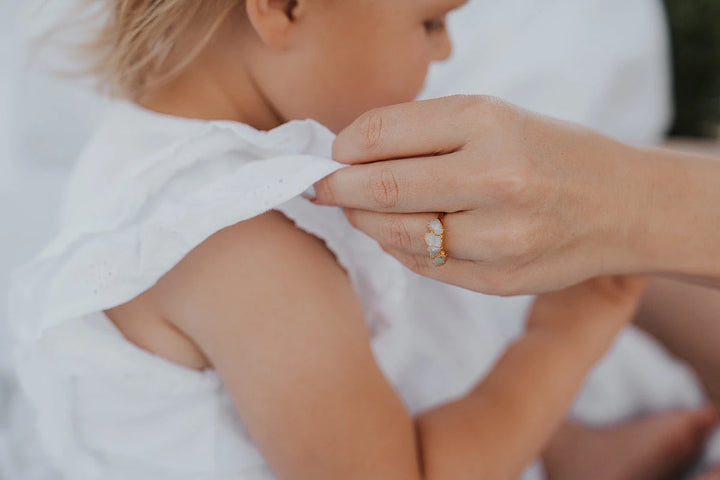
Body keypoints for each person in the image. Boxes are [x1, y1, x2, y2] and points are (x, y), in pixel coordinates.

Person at [8, 2, 717, 480]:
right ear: (282, 6)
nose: (446, 51)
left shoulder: (153, 138)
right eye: (430, 21)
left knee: (425, 315)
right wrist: (565, 338)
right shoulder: (242, 251)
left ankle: (564, 449)